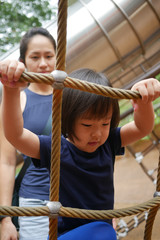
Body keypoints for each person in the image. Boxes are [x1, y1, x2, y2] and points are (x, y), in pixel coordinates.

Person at [0, 67, 160, 240]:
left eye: (105, 123)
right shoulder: (55, 148)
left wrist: (144, 102)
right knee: (104, 231)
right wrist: (11, 90)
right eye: (87, 125)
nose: (97, 133)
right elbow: (15, 135)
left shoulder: (108, 142)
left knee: (104, 231)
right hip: (67, 235)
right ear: (68, 119)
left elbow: (142, 127)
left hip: (99, 229)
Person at [0, 27, 56, 240]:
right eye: (35, 57)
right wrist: (6, 219)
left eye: (49, 56)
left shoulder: (72, 97)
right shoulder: (17, 99)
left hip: (77, 197)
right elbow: (6, 161)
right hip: (35, 203)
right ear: (23, 60)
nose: (43, 63)